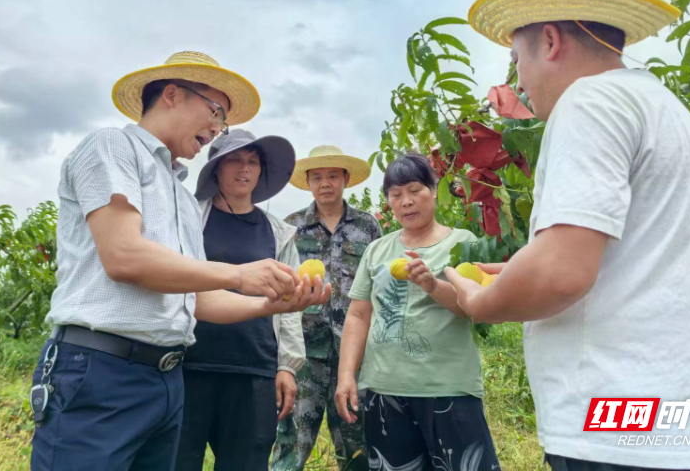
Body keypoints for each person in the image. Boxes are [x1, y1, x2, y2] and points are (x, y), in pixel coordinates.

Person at [446, 0, 690, 470]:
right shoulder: (665, 108)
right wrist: (523, 266)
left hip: (618, 425)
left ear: (549, 41)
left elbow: (560, 272)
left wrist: (481, 303)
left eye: (516, 60)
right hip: (685, 418)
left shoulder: (588, 100)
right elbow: (626, 257)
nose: (518, 82)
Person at [30, 51, 329, 471]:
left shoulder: (182, 199)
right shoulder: (113, 147)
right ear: (172, 94)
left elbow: (196, 301)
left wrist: (272, 306)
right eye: (216, 112)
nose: (217, 128)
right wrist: (239, 274)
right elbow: (123, 256)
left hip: (166, 378)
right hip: (100, 369)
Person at [335, 153, 501, 471]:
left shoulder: (462, 244)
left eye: (414, 190)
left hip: (448, 388)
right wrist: (346, 376)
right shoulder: (377, 250)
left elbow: (475, 307)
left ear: (433, 190)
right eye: (396, 195)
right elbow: (358, 316)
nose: (406, 202)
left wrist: (432, 285)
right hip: (384, 390)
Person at [176, 129, 305, 470]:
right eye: (233, 159)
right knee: (177, 460)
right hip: (188, 366)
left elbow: (289, 306)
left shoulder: (278, 232)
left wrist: (286, 366)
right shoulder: (189, 218)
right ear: (216, 167)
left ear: (261, 171)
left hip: (253, 369)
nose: (243, 168)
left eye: (252, 162)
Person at [272, 145, 382, 471]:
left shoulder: (367, 227)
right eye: (317, 177)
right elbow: (280, 291)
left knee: (355, 439)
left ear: (345, 179)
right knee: (293, 439)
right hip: (305, 352)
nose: (325, 184)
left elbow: (378, 285)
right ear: (308, 182)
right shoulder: (290, 227)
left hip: (354, 352)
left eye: (333, 176)